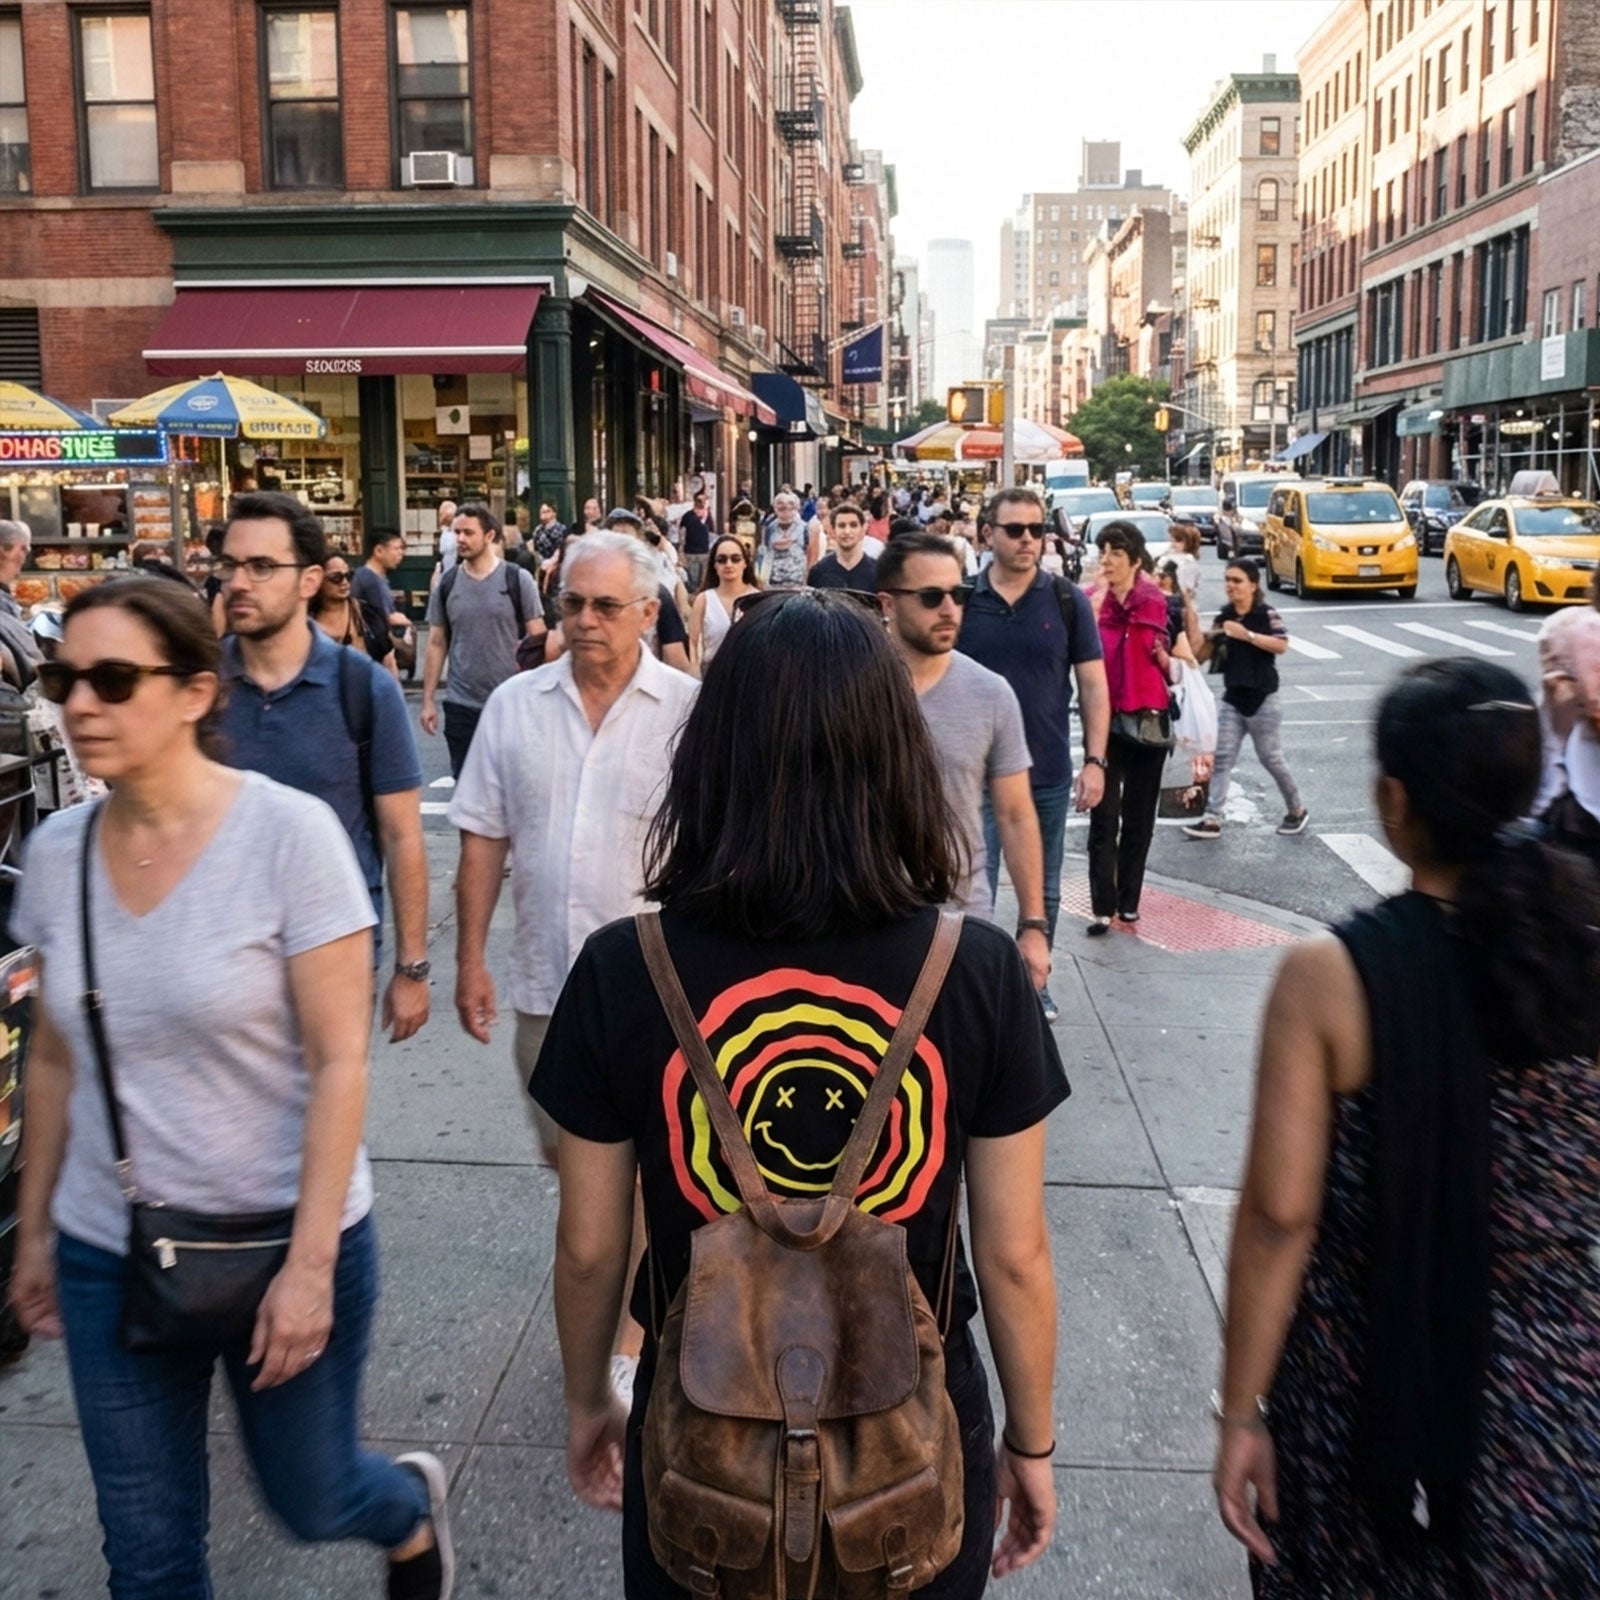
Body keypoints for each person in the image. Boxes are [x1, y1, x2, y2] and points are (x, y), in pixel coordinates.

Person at [532, 587, 1064, 1596]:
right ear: (895, 756)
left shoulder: (622, 969)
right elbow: (1014, 1252)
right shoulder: (977, 971)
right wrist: (1031, 1445)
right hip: (913, 1441)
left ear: (711, 758)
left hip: (700, 1438)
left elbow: (592, 1243)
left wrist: (586, 1399)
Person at [5, 576, 453, 1600]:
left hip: (278, 1237)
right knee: (149, 1556)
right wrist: (35, 1229)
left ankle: (405, 1510)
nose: (80, 704)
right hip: (106, 1247)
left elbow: (342, 1060)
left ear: (197, 693)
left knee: (312, 1496)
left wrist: (308, 1268)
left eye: (114, 679)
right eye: (64, 677)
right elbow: (57, 1051)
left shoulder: (290, 838)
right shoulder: (57, 851)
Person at [1214, 657, 1600, 1596]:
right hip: (1560, 1380)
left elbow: (1278, 1218)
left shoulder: (1333, 977)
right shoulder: (1583, 937)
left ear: (1393, 800)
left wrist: (1241, 1413)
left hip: (1366, 1383)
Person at [449, 530, 698, 1406]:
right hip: (547, 990)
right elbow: (482, 836)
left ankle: (627, 1341)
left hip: (662, 995)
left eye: (603, 607)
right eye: (571, 605)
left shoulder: (687, 711)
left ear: (645, 613)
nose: (584, 622)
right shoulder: (516, 707)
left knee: (642, 1170)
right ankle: (618, 1302)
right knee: (579, 1172)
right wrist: (467, 957)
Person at [218, 492, 430, 1043]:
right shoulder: (196, 686)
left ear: (309, 580)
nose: (240, 581)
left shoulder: (362, 688)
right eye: (230, 565)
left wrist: (412, 968)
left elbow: (403, 836)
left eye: (262, 567)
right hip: (213, 951)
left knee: (323, 1115)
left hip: (331, 951)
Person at [956, 489, 1109, 1019]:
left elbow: (1093, 685)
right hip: (972, 774)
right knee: (971, 886)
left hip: (1044, 771)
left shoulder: (1066, 599)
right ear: (987, 533)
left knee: (1041, 889)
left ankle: (1033, 981)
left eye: (1037, 530)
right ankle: (969, 988)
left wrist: (1096, 760)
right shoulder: (962, 599)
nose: (1028, 540)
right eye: (1015, 529)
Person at [878, 533, 1049, 991]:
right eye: (932, 597)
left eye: (959, 594)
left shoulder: (990, 693)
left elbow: (1015, 814)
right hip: (864, 920)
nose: (950, 609)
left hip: (961, 922)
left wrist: (1033, 926)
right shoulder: (848, 688)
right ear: (888, 604)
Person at [1084, 520, 1178, 932]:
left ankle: (1129, 901)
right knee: (1104, 818)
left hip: (1147, 721)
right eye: (1103, 551)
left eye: (1116, 553)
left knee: (1139, 818)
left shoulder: (1155, 602)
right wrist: (1097, 599)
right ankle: (1102, 906)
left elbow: (1177, 661)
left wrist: (1168, 658)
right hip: (1104, 722)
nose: (1106, 560)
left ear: (1135, 560)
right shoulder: (1091, 602)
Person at [1180, 558, 1308, 841]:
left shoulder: (1266, 613)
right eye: (1227, 580)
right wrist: (1190, 612)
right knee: (1223, 758)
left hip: (1264, 698)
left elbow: (1281, 645)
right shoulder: (1225, 616)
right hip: (1233, 699)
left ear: (1253, 585)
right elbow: (1201, 655)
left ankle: (1297, 810)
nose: (1230, 586)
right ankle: (1212, 818)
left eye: (1237, 580)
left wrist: (1247, 635)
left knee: (1271, 758)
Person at [421, 504, 545, 778]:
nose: (460, 539)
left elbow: (539, 638)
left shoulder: (517, 579)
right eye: (456, 533)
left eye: (468, 533)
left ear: (489, 536)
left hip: (511, 702)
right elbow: (436, 642)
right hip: (462, 705)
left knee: (513, 789)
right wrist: (428, 700)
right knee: (466, 792)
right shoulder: (447, 583)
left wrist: (541, 696)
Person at [688, 534, 757, 671]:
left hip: (749, 675)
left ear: (745, 563)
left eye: (736, 559)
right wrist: (694, 672)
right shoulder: (704, 599)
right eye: (722, 559)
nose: (729, 564)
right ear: (714, 565)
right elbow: (692, 643)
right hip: (711, 674)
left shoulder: (757, 598)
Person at [351, 528, 413, 674]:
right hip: (373, 656)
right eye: (397, 548)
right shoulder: (366, 578)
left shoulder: (378, 578)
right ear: (379, 551)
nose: (401, 553)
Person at [807, 501, 878, 593]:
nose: (847, 531)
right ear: (832, 531)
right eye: (841, 526)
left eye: (853, 525)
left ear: (863, 529)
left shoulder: (878, 573)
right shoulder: (818, 571)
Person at [761, 491, 818, 586]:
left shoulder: (805, 528)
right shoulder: (770, 528)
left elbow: (811, 556)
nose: (786, 507)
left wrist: (807, 580)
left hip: (798, 583)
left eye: (791, 504)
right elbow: (767, 553)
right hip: (774, 584)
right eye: (780, 503)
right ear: (775, 508)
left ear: (797, 508)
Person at [677, 491, 714, 592]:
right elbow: (682, 533)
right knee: (693, 580)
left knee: (704, 581)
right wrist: (681, 551)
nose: (701, 503)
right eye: (699, 500)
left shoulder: (708, 516)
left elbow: (711, 534)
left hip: (704, 553)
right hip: (691, 553)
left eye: (704, 500)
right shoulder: (687, 516)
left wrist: (711, 549)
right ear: (695, 502)